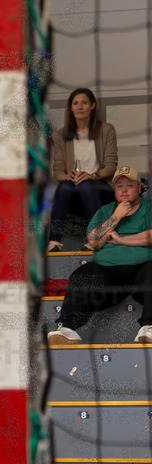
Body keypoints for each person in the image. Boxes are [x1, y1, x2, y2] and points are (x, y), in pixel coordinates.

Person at [48, 166, 152, 345]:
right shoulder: (106, 211)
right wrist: (116, 216)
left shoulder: (148, 208)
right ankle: (67, 328)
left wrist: (121, 240)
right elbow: (95, 241)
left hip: (142, 271)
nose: (124, 190)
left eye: (130, 185)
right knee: (81, 275)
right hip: (108, 272)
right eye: (119, 186)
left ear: (139, 189)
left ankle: (149, 327)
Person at [49, 88, 117, 252]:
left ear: (92, 106)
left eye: (84, 103)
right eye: (75, 103)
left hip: (99, 186)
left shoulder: (106, 130)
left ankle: (96, 238)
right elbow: (57, 170)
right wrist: (65, 176)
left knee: (86, 185)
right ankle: (54, 242)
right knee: (64, 186)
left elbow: (111, 166)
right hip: (73, 189)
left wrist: (93, 175)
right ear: (71, 108)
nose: (79, 107)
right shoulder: (61, 135)